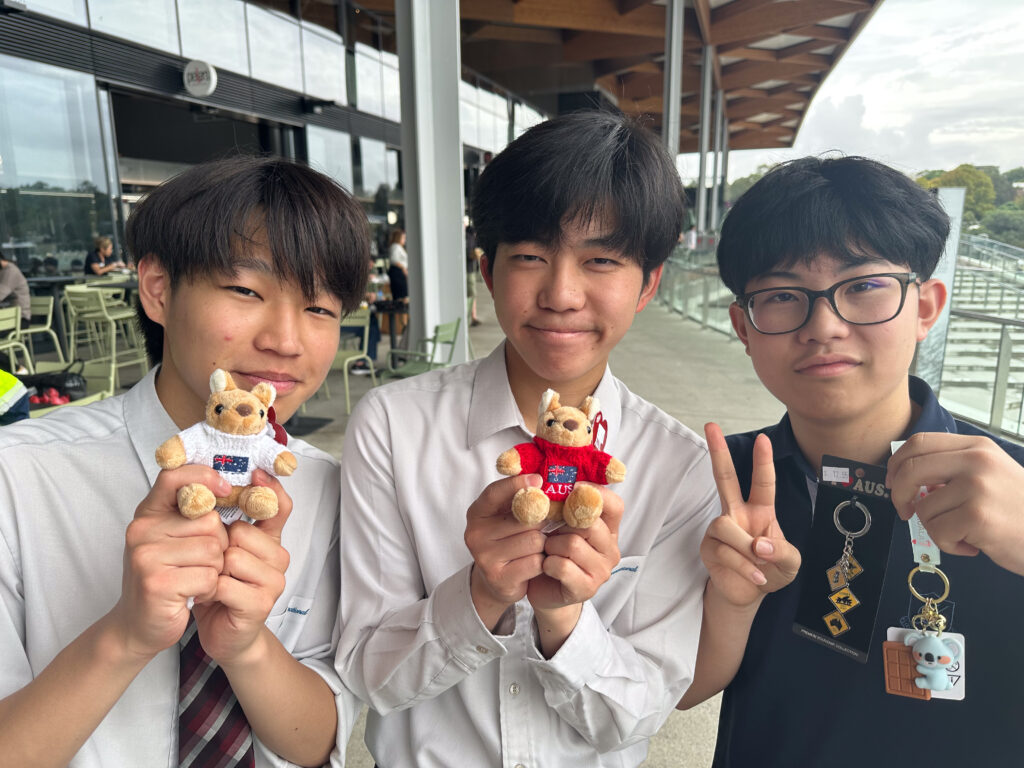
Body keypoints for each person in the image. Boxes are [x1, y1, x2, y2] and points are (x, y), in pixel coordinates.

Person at [336, 110, 718, 767]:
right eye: (532, 257)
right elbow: (371, 675)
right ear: (487, 272)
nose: (562, 294)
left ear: (649, 284)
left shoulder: (679, 467)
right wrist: (480, 594)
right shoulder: (393, 426)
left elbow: (642, 710)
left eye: (600, 260)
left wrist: (565, 621)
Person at [0, 156, 370, 767]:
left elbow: (318, 743)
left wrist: (248, 647)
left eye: (321, 308)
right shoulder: (21, 476)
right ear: (158, 289)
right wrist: (125, 635)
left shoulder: (325, 488)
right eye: (247, 290)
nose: (286, 338)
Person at [678, 156, 1024, 766]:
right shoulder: (711, 483)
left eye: (863, 286)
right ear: (743, 325)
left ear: (925, 308)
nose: (824, 326)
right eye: (784, 296)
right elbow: (672, 689)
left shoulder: (1011, 486)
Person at [0, 255, 30, 323]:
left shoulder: (10, 271)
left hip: (19, 319)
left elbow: (1, 293)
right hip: (8, 316)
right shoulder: (3, 271)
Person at [385, 228, 409, 303]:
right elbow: (394, 260)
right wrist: (403, 269)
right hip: (398, 273)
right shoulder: (395, 246)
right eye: (403, 238)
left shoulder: (399, 247)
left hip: (400, 273)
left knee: (403, 296)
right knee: (401, 297)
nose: (404, 240)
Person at [465, 224, 482, 326]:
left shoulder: (463, 237)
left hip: (462, 270)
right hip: (469, 270)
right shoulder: (470, 238)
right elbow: (471, 254)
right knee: (472, 294)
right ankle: (473, 317)